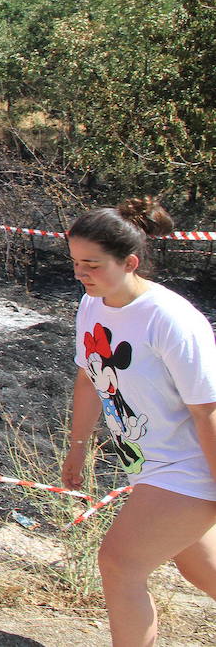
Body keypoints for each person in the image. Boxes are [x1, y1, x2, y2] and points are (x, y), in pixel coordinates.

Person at [62, 198, 216, 647]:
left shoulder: (171, 320)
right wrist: (78, 447)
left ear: (129, 262)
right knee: (198, 567)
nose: (80, 273)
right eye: (74, 262)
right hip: (150, 467)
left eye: (91, 264)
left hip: (191, 467)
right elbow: (89, 380)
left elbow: (206, 409)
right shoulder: (93, 305)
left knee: (119, 562)